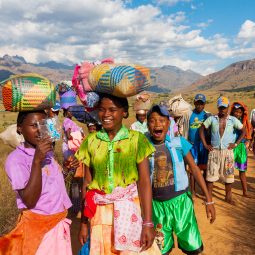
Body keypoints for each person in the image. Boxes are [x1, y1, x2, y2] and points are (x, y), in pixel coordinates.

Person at [76, 94, 161, 255]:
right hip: (100, 216)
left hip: (130, 213)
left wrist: (148, 223)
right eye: (102, 109)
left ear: (124, 112)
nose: (106, 114)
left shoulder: (136, 139)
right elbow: (87, 182)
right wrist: (83, 223)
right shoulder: (90, 141)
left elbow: (144, 182)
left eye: (112, 110)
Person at [0, 110, 79, 255]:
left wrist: (67, 168)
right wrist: (37, 160)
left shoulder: (48, 153)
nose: (39, 130)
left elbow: (56, 183)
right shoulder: (16, 159)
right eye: (33, 125)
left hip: (58, 222)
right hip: (40, 229)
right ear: (20, 128)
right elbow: (29, 200)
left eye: (43, 125)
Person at [147, 104, 215, 255]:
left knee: (192, 246)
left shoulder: (179, 143)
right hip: (157, 207)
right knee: (160, 249)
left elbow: (195, 170)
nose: (157, 124)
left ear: (169, 123)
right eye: (152, 120)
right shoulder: (144, 147)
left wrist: (209, 200)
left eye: (162, 120)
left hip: (181, 204)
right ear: (147, 125)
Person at [199, 97, 246, 205]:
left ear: (228, 107)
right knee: (210, 176)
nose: (222, 110)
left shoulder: (233, 120)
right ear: (218, 107)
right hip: (214, 151)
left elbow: (243, 130)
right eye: (221, 107)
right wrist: (205, 145)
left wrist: (236, 144)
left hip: (227, 151)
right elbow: (201, 129)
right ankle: (209, 198)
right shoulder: (212, 119)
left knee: (228, 175)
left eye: (224, 107)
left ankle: (228, 197)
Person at [184, 94, 211, 198]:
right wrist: (185, 139)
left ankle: (204, 189)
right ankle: (193, 190)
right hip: (192, 145)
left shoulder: (207, 115)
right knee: (192, 169)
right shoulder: (188, 114)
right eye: (197, 104)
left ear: (204, 104)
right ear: (194, 104)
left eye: (201, 104)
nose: (199, 106)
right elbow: (180, 125)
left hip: (204, 145)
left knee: (204, 168)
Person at [230, 102, 255, 199]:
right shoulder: (229, 120)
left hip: (241, 147)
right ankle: (229, 193)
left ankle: (245, 191)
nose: (237, 114)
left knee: (242, 171)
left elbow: (249, 128)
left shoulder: (244, 121)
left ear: (242, 114)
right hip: (231, 147)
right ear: (232, 111)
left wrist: (248, 140)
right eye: (236, 111)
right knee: (230, 170)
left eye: (240, 112)